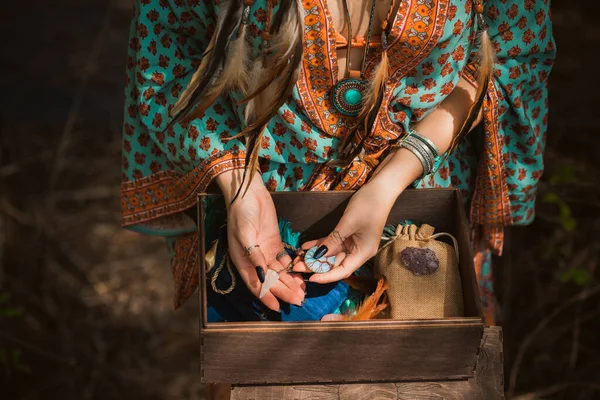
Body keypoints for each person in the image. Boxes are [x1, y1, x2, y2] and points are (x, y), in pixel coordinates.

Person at [121, 0, 555, 325]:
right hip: (264, 206)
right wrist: (241, 187)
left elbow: (508, 56)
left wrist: (386, 185)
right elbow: (166, 45)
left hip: (422, 207)